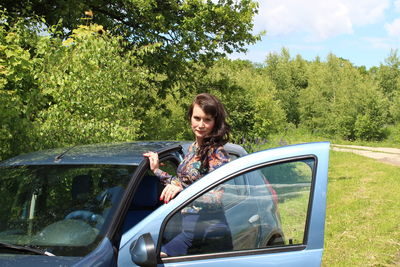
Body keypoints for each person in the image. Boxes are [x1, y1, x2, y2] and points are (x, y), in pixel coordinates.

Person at [143, 93, 232, 257]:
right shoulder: (192, 149)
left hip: (209, 234)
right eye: (197, 118)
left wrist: (183, 192)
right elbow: (182, 183)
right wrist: (156, 170)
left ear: (215, 122)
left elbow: (216, 197)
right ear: (190, 118)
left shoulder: (216, 154)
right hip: (188, 228)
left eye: (207, 120)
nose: (201, 124)